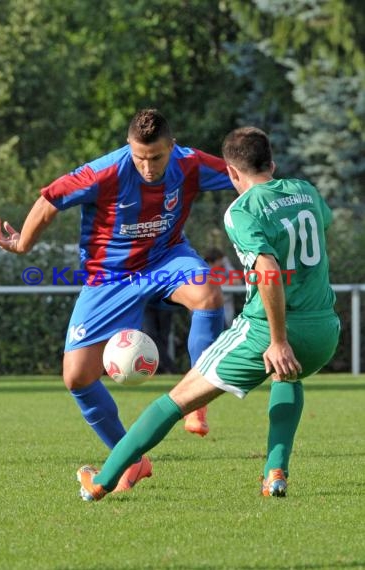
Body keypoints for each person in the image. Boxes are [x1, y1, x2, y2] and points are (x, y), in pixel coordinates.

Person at [75, 125, 340, 502]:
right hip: (324, 330)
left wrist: (278, 339)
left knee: (173, 401)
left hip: (267, 332)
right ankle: (275, 472)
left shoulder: (242, 210)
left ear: (232, 172)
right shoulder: (306, 191)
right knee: (288, 377)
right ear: (272, 162)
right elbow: (318, 228)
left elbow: (267, 269)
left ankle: (102, 481)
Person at [0, 108, 234, 493]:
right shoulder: (104, 171)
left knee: (208, 292)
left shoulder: (189, 163)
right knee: (77, 377)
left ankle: (197, 399)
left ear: (172, 146)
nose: (148, 167)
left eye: (156, 157)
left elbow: (242, 176)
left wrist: (276, 198)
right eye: (139, 157)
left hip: (167, 258)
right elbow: (50, 200)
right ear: (128, 148)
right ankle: (132, 461)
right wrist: (21, 244)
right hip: (109, 276)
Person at [203, 246, 241, 328]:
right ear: (214, 261)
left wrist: (227, 264)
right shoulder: (203, 270)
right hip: (209, 309)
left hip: (226, 309)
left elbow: (237, 281)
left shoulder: (225, 268)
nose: (222, 262)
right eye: (221, 260)